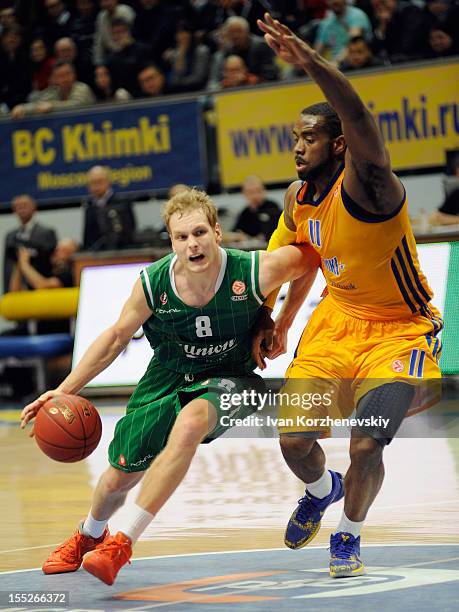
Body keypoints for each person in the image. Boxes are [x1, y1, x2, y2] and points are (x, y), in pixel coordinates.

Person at [20, 188, 318, 586]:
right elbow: (114, 339)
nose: (192, 244)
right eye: (182, 237)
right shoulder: (153, 283)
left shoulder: (252, 270)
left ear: (217, 232)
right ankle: (90, 535)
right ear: (171, 241)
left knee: (192, 422)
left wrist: (279, 321)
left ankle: (123, 543)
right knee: (117, 477)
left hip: (231, 375)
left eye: (199, 233)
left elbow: (310, 260)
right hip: (170, 374)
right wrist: (63, 391)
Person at [253, 13, 443, 578]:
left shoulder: (372, 185)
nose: (297, 148)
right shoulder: (297, 198)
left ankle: (349, 535)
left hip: (398, 330)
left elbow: (359, 113)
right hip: (335, 325)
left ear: (338, 144)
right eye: (294, 138)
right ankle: (321, 488)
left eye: (308, 137)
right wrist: (278, 318)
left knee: (367, 444)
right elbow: (295, 262)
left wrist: (311, 63)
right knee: (292, 440)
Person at [3, 194, 57, 294]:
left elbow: (51, 263)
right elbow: (8, 266)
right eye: (18, 207)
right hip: (16, 288)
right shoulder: (10, 237)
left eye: (24, 205)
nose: (21, 209)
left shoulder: (46, 233)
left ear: (34, 207)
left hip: (39, 288)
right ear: (14, 211)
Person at [11, 61, 96, 119]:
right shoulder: (54, 91)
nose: (65, 78)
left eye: (68, 74)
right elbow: (40, 104)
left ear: (74, 75)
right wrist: (23, 108)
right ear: (55, 79)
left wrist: (52, 106)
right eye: (60, 76)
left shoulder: (82, 88)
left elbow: (76, 104)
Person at [82, 165, 136, 251]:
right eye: (92, 183)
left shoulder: (123, 202)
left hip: (122, 251)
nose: (96, 186)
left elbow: (131, 231)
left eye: (99, 182)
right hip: (97, 254)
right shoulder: (89, 206)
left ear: (108, 182)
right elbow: (87, 237)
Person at [9, 238, 78, 292]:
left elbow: (43, 286)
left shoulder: (69, 275)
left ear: (72, 256)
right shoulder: (45, 271)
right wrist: (19, 263)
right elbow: (15, 292)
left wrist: (24, 264)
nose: (56, 252)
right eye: (57, 248)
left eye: (64, 250)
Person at [233, 175, 281, 242]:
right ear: (244, 193)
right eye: (250, 192)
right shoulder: (245, 212)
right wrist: (238, 236)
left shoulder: (272, 207)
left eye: (258, 191)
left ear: (264, 190)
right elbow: (236, 231)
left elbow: (279, 229)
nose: (255, 195)